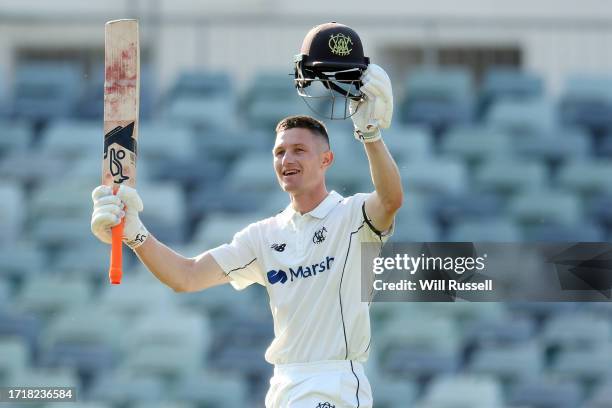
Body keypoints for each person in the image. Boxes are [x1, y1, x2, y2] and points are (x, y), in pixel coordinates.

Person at [91, 27, 402, 408]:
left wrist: (370, 133)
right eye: (279, 152)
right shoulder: (263, 236)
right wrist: (135, 233)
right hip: (283, 387)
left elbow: (390, 200)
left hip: (334, 381)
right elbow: (186, 277)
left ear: (326, 160)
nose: (286, 160)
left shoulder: (352, 216)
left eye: (299, 150)